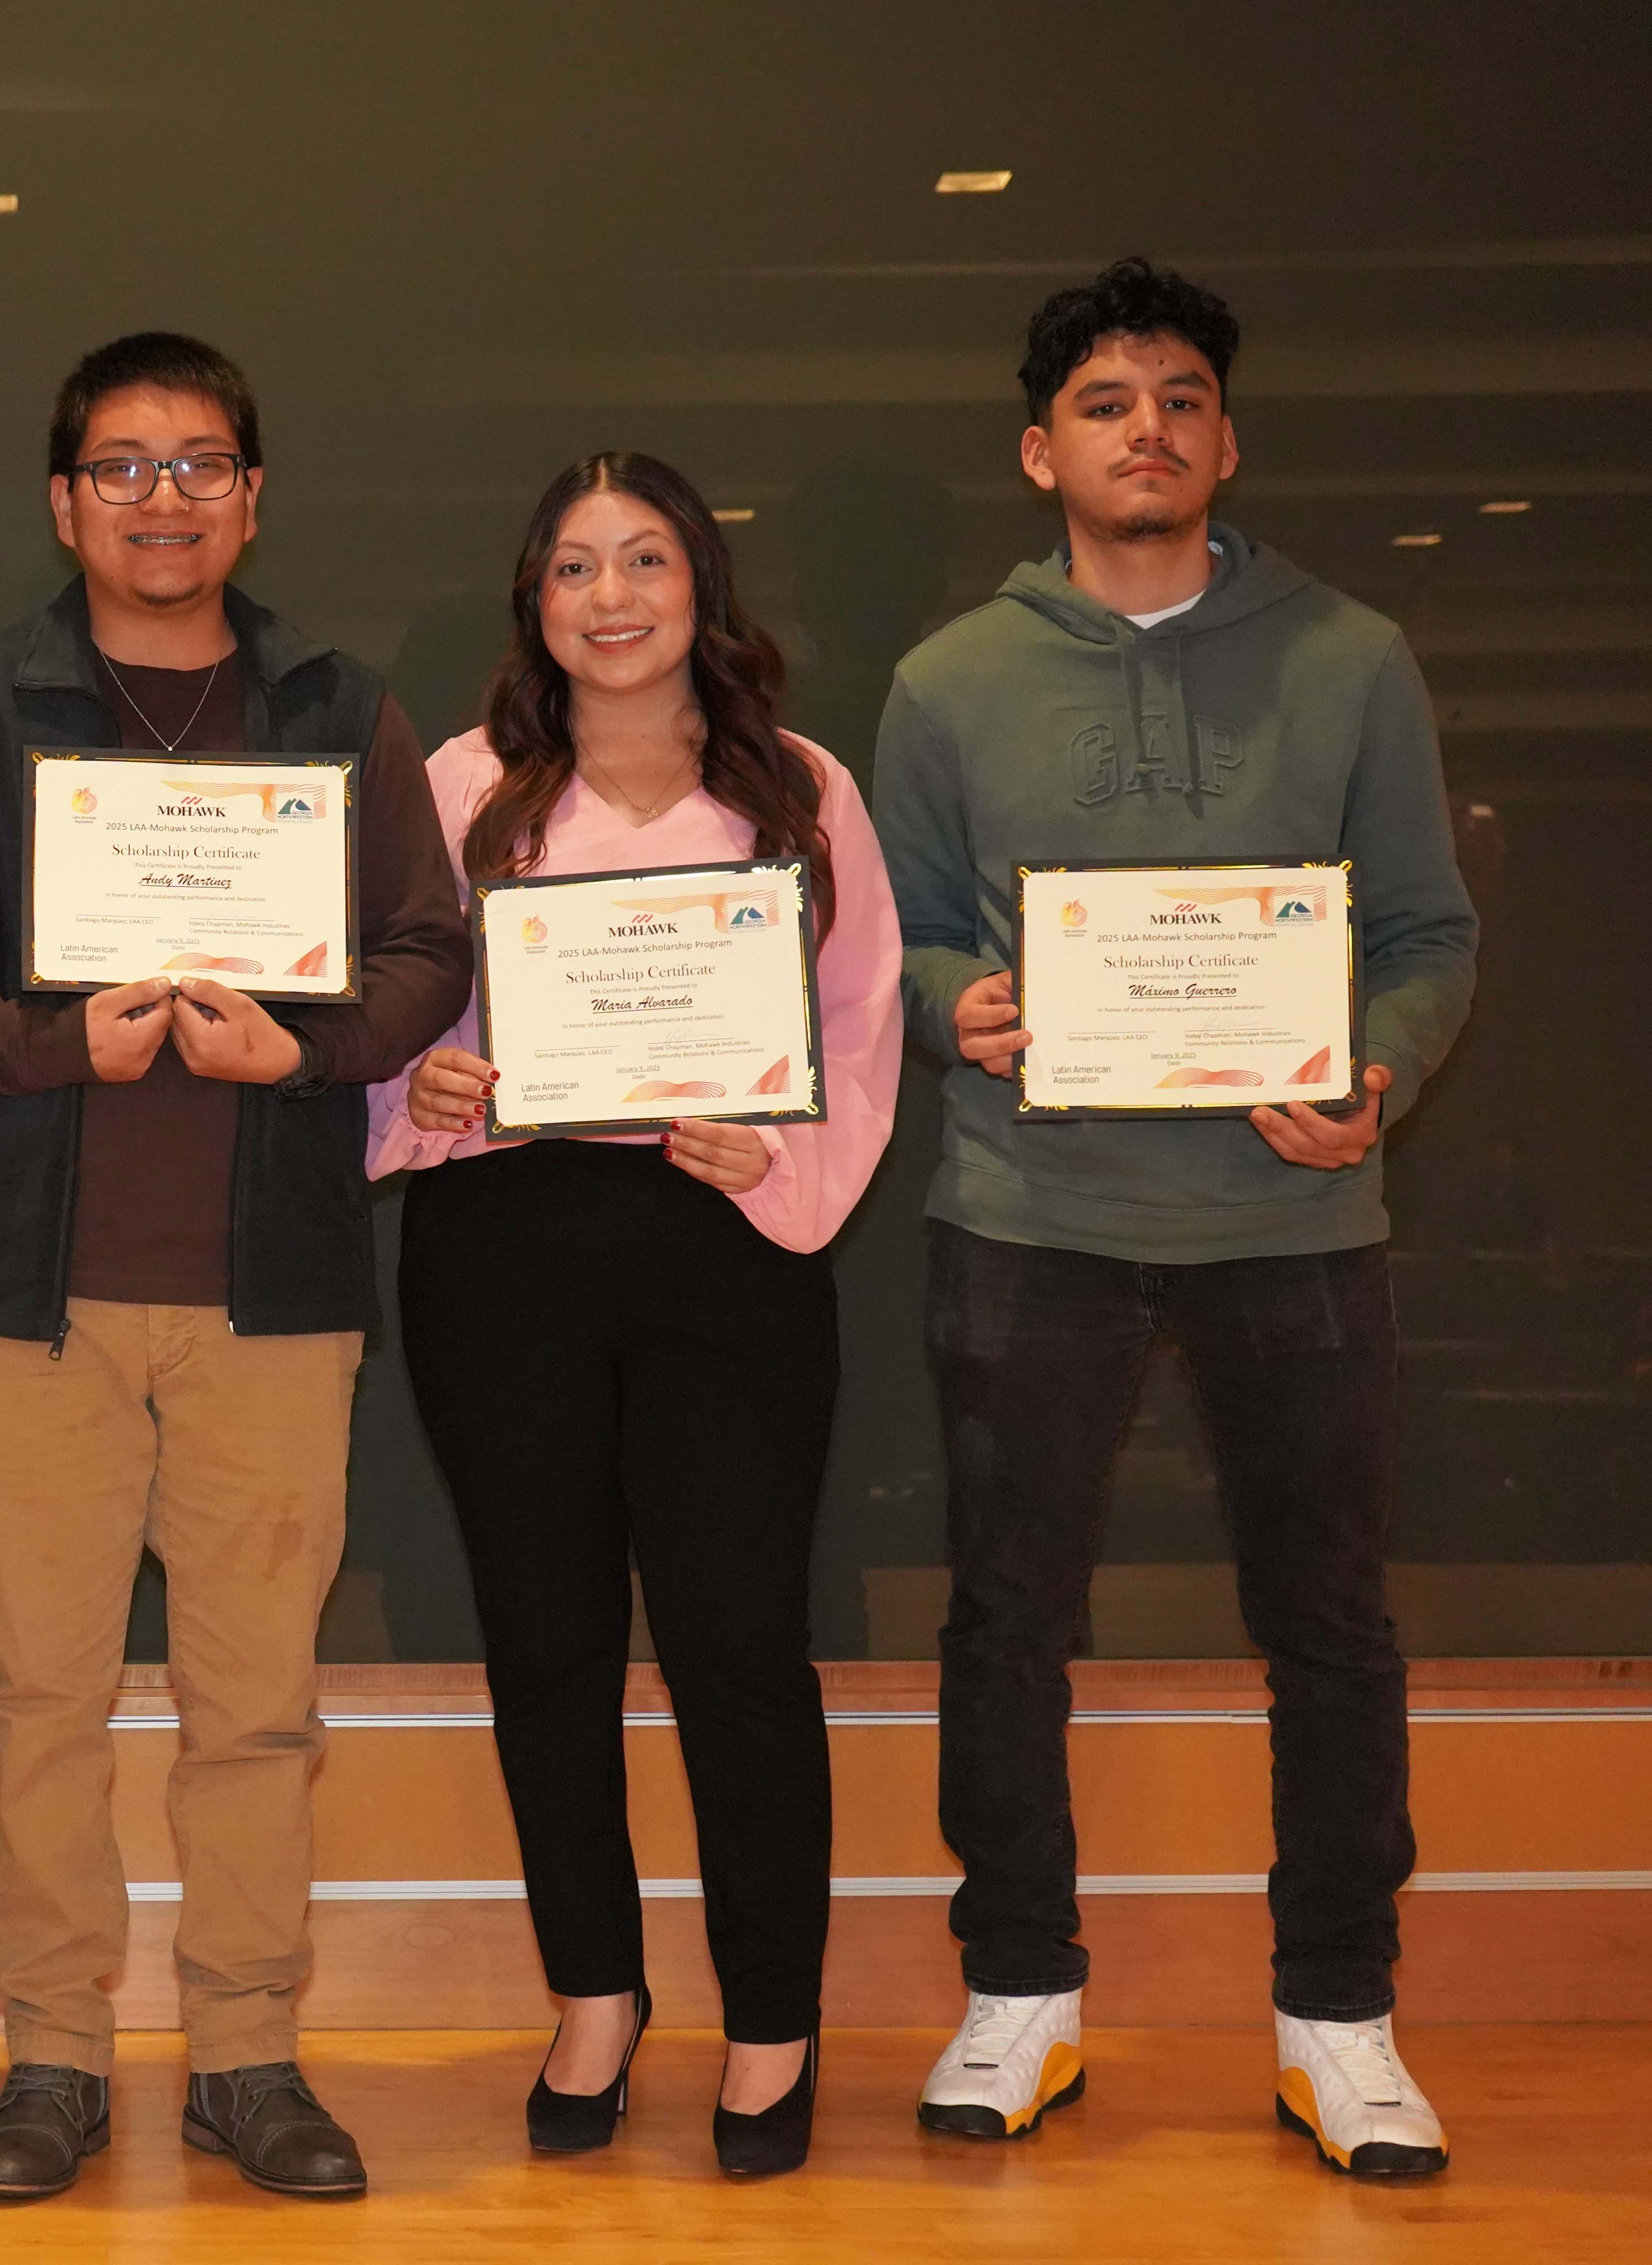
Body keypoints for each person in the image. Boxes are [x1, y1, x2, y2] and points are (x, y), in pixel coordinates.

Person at [873, 258, 1478, 2176]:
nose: (1153, 427)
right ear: (1042, 450)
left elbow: (1428, 934)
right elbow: (902, 933)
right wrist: (942, 1001)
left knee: (1333, 1631)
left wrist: (1375, 1072)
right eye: (1112, 403)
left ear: (1230, 437)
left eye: (1186, 397)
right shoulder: (949, 678)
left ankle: (1342, 2017)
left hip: (1295, 1226)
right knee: (1005, 1620)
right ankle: (1020, 1992)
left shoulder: (1352, 651)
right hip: (1029, 1208)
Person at [0, 332, 473, 2203]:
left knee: (256, 1707)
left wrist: (307, 1046)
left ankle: (247, 2051)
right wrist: (61, 1046)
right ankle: (51, 2055)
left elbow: (428, 956)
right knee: (35, 1694)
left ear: (254, 498)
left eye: (201, 466)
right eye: (122, 468)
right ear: (64, 502)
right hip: (16, 1294)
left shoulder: (342, 709)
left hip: (271, 1290)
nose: (163, 501)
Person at [374, 452, 902, 2179]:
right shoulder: (461, 786)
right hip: (504, 1248)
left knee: (740, 1647)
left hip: (725, 1241)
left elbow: (866, 1018)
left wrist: (778, 1159)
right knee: (547, 1645)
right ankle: (594, 1997)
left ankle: (770, 2019)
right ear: (534, 602)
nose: (613, 599)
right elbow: (387, 1015)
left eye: (647, 561)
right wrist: (420, 1095)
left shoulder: (801, 789)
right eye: (576, 568)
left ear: (704, 589)